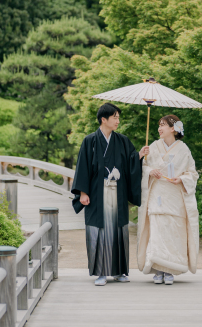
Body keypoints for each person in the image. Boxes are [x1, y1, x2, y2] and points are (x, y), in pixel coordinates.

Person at [71, 103, 145, 286]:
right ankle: (101, 272)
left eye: (118, 117)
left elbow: (130, 164)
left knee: (118, 230)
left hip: (117, 193)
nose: (118, 120)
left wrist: (139, 156)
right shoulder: (90, 141)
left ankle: (120, 271)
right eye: (115, 117)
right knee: (99, 230)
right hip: (97, 193)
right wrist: (83, 192)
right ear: (103, 119)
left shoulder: (123, 141)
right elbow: (83, 168)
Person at [137, 114, 199, 285]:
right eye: (158, 125)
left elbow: (192, 173)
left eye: (163, 125)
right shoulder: (153, 147)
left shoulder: (184, 149)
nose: (159, 128)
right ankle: (157, 269)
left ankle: (170, 269)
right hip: (157, 194)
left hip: (175, 196)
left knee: (174, 233)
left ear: (173, 128)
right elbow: (142, 167)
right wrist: (149, 170)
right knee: (157, 232)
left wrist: (182, 179)